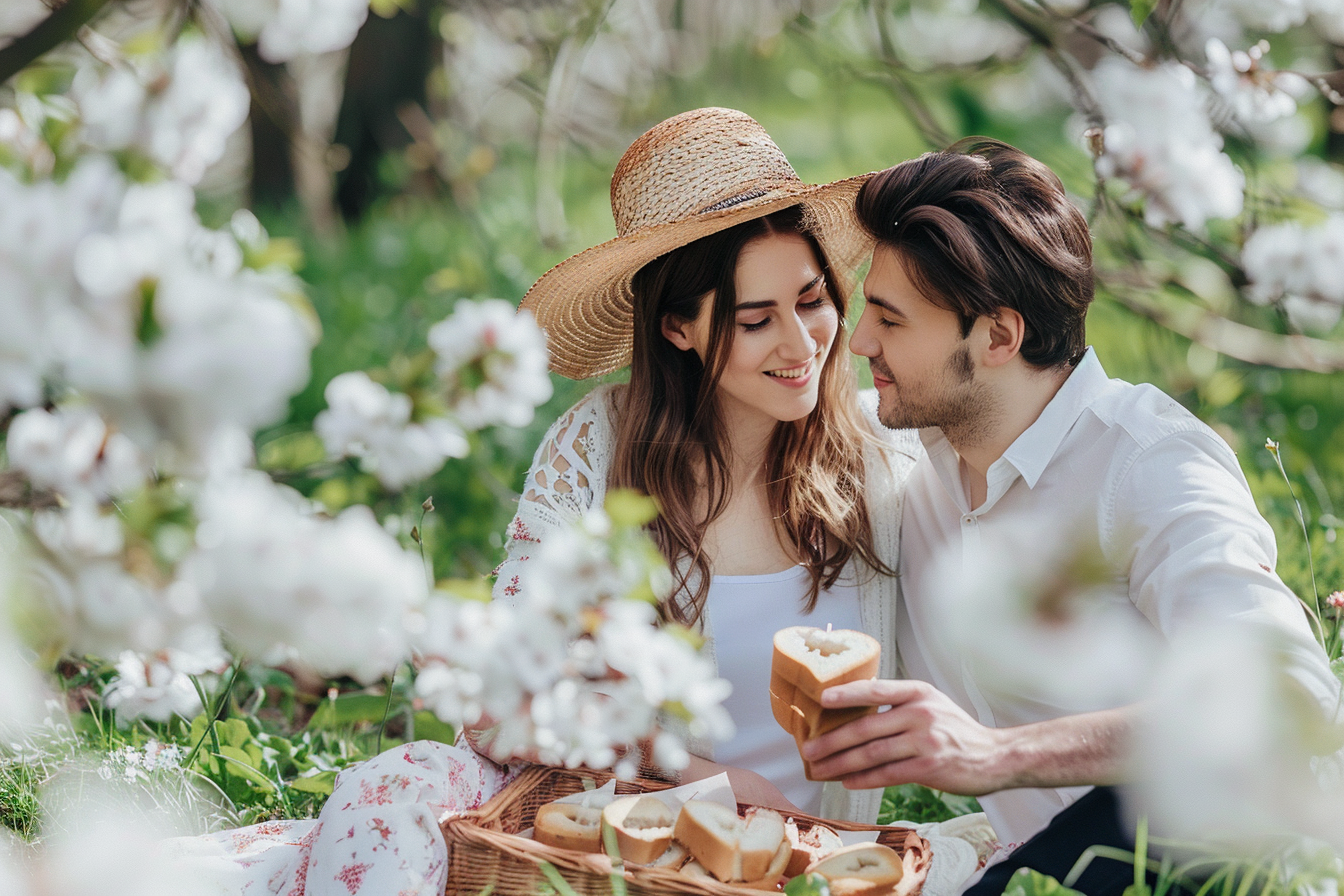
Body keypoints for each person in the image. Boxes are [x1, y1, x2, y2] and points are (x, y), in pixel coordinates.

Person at [800, 138, 1342, 894]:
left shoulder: (1147, 465)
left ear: (997, 336)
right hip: (1039, 869)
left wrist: (995, 754)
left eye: (890, 321)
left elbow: (1291, 696)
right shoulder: (905, 452)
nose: (858, 344)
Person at [482, 105, 919, 823]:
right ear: (677, 326)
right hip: (644, 861)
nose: (801, 344)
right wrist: (687, 769)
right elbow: (492, 699)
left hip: (821, 866)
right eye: (754, 321)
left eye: (812, 301)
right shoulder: (597, 449)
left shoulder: (883, 456)